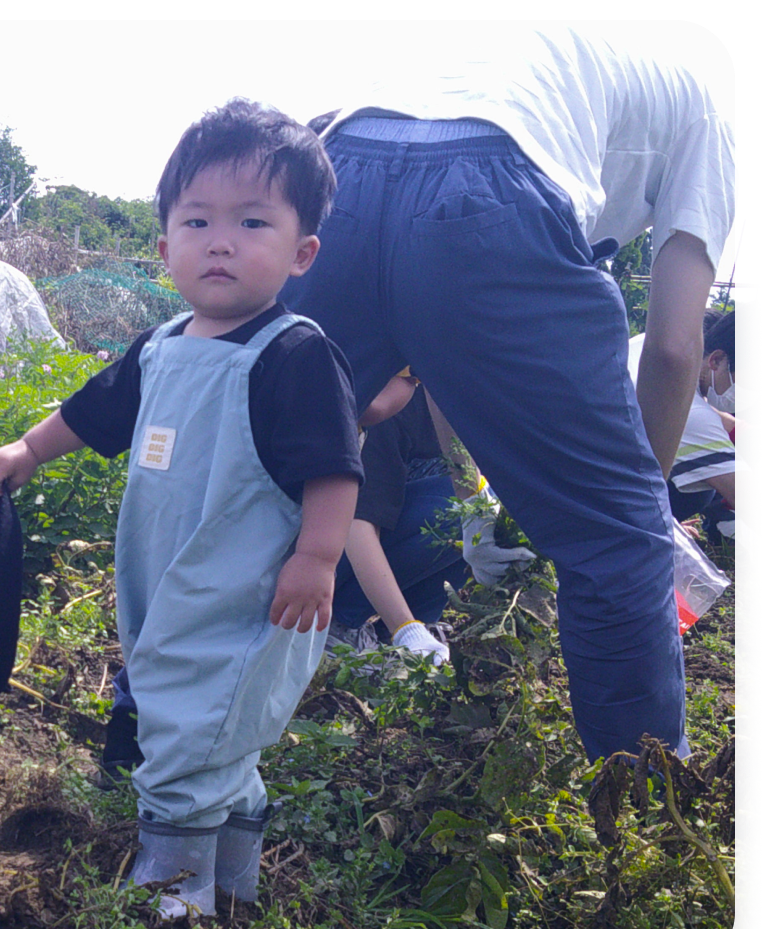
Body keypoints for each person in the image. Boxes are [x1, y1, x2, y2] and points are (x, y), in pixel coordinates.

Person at [281, 28, 738, 762]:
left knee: (255, 477)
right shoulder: (709, 121)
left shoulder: (535, 63)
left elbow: (440, 356)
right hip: (493, 181)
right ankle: (647, 810)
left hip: (344, 165)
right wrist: (638, 507)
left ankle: (149, 751)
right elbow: (677, 345)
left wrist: (474, 495)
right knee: (617, 545)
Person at [0, 99, 362, 915]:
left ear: (302, 252)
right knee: (202, 725)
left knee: (192, 733)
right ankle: (233, 883)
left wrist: (318, 556)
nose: (221, 240)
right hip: (167, 589)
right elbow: (91, 413)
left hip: (249, 595)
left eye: (253, 222)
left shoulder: (293, 354)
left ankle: (173, 911)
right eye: (198, 220)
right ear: (164, 248)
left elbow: (335, 468)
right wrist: (26, 450)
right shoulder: (159, 347)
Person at [327, 380, 469, 666]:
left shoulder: (471, 408)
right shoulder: (390, 402)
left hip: (385, 529)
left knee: (484, 514)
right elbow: (356, 524)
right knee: (459, 506)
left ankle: (409, 633)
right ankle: (341, 623)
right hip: (326, 546)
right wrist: (404, 627)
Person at [628, 302, 759, 567]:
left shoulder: (654, 347)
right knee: (703, 490)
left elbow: (723, 424)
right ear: (716, 359)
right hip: (588, 497)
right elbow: (747, 502)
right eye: (748, 384)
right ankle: (641, 531)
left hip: (573, 463)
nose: (750, 396)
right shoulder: (686, 406)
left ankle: (658, 523)